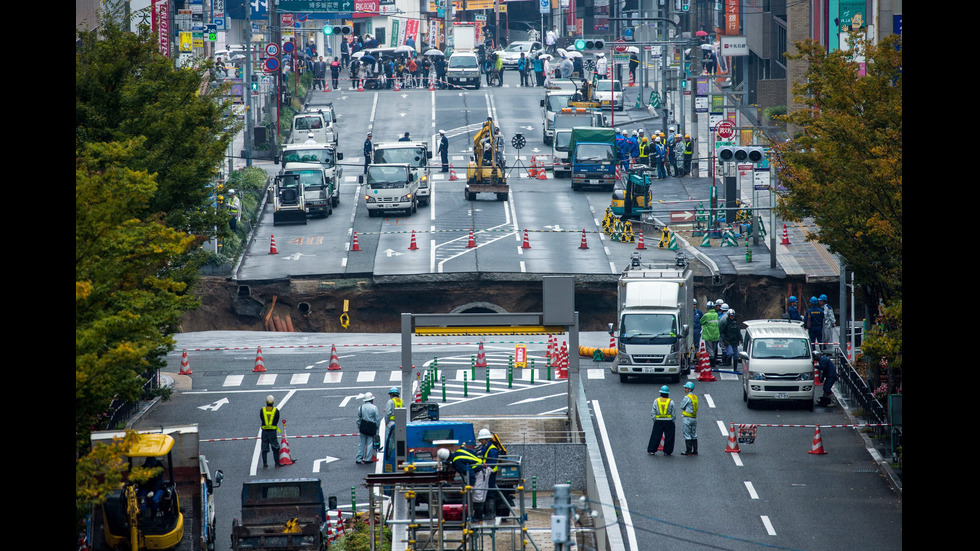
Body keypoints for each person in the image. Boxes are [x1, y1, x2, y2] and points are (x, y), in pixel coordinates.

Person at [477, 428, 500, 520]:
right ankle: (487, 513)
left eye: (481, 440)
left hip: (490, 473)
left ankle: (490, 513)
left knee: (490, 492)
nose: (480, 441)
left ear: (486, 439)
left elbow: (491, 463)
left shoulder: (492, 449)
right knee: (485, 492)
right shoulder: (486, 447)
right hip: (486, 473)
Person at [647, 385, 676, 456]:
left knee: (655, 436)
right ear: (668, 394)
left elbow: (653, 412)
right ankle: (667, 451)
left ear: (660, 393)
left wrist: (654, 419)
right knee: (669, 437)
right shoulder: (671, 402)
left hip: (658, 421)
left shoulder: (656, 401)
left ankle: (652, 450)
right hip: (669, 421)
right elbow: (673, 413)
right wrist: (673, 421)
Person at [355, 392, 381, 464]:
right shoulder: (374, 408)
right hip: (371, 427)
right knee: (370, 443)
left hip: (363, 427)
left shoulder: (360, 407)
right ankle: (367, 459)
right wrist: (377, 427)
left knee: (361, 443)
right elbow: (377, 419)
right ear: (371, 400)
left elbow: (358, 419)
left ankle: (359, 458)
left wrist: (359, 426)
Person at [260, 395, 282, 468]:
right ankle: (277, 463)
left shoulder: (262, 410)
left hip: (264, 432)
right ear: (273, 402)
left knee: (264, 448)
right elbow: (276, 420)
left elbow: (262, 418)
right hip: (272, 432)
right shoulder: (276, 411)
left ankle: (265, 464)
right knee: (275, 447)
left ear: (266, 402)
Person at [679, 382, 699, 455]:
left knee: (687, 434)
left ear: (690, 389)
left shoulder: (687, 397)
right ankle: (695, 450)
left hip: (687, 418)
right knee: (693, 434)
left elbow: (681, 406)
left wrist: (684, 408)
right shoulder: (695, 397)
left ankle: (688, 450)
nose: (685, 389)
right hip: (694, 418)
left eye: (686, 388)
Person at [700, 301, 719, 368]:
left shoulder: (706, 315)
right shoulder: (716, 314)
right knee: (713, 349)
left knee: (709, 349)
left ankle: (711, 362)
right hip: (715, 334)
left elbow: (701, 321)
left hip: (708, 334)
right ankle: (713, 361)